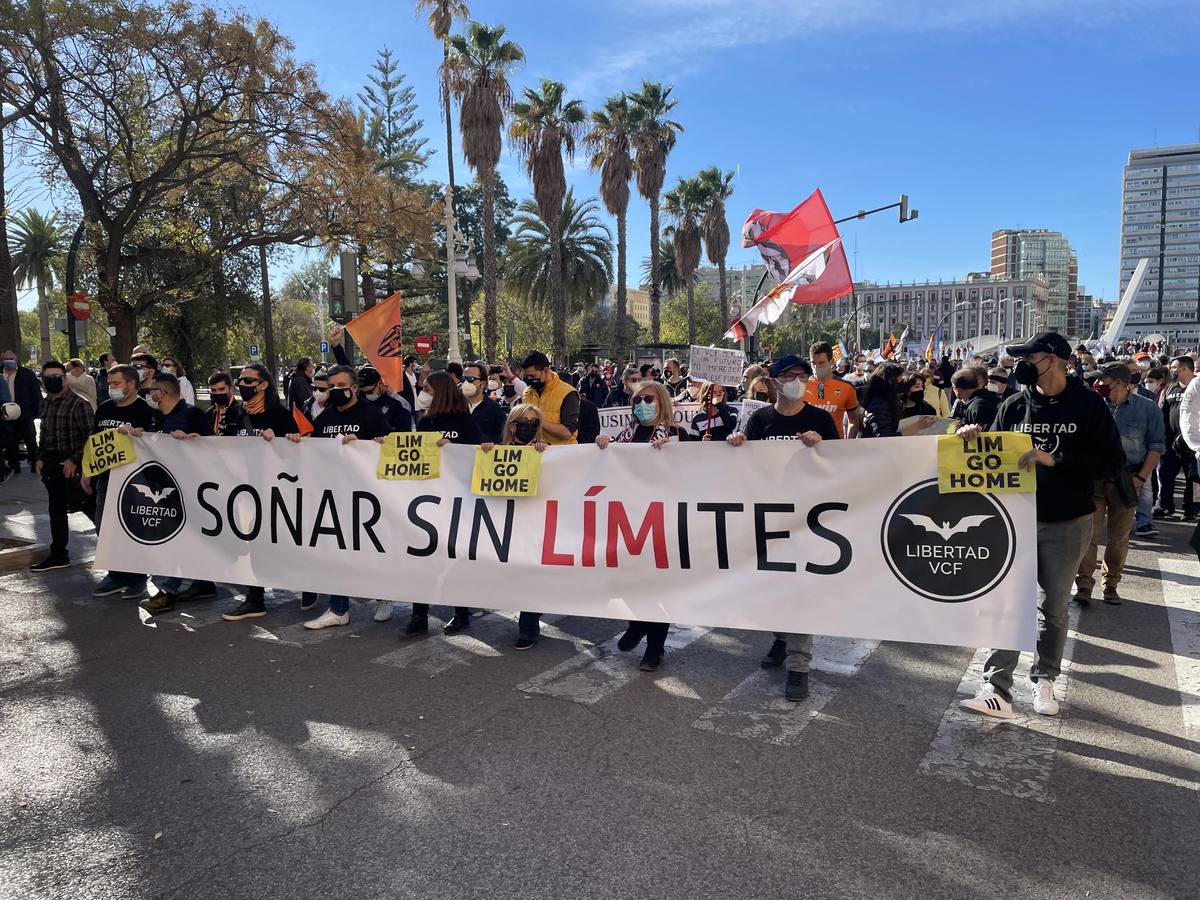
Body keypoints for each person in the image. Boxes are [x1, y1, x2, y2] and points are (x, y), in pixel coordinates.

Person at [958, 332, 1123, 719]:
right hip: (1015, 521)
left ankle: (1044, 677)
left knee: (1054, 606)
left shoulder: (1088, 406)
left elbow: (1111, 462)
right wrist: (970, 437)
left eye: (1030, 357)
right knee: (1008, 601)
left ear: (1057, 359)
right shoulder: (1014, 404)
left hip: (1067, 519)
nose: (1023, 365)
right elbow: (989, 452)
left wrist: (1058, 458)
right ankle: (997, 688)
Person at [726, 355, 837, 700]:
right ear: (773, 382)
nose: (797, 381)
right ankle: (782, 637)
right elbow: (746, 467)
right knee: (765, 590)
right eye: (789, 376)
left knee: (799, 591)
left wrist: (823, 448)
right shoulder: (760, 419)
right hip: (768, 519)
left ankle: (798, 666)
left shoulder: (820, 419)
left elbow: (845, 466)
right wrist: (736, 446)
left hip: (808, 521)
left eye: (802, 375)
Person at [289, 364, 392, 629]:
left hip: (368, 495)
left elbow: (389, 448)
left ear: (354, 388)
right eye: (329, 386)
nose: (334, 391)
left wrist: (368, 445)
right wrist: (295, 442)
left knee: (371, 550)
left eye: (340, 386)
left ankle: (384, 596)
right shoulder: (324, 418)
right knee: (336, 551)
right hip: (334, 493)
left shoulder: (371, 414)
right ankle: (338, 608)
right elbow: (314, 452)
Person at [595, 380, 687, 672]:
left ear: (661, 402)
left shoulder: (678, 435)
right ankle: (639, 623)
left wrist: (675, 453)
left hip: (661, 522)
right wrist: (602, 447)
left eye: (648, 399)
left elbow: (697, 472)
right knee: (625, 582)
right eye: (637, 400)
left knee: (654, 584)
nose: (642, 405)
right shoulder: (624, 435)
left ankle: (654, 648)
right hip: (627, 521)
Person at [1074, 363, 1164, 607]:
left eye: (1103, 380)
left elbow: (1156, 446)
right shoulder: (1092, 406)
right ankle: (1084, 585)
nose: (1098, 385)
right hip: (1093, 480)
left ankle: (1110, 584)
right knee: (1087, 535)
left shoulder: (1147, 409)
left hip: (1126, 480)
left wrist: (1141, 479)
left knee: (1118, 537)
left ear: (1119, 383)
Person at [220, 364, 303, 621]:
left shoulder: (279, 415)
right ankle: (255, 598)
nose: (242, 384)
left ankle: (309, 584)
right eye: (240, 380)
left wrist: (281, 440)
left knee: (282, 542)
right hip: (242, 489)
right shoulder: (234, 414)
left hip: (273, 492)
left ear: (264, 384)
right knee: (249, 542)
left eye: (248, 380)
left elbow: (297, 453)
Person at [403, 371, 482, 637]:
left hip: (458, 500)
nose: (422, 392)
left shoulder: (464, 420)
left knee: (455, 559)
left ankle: (461, 614)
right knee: (420, 559)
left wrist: (453, 448)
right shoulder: (425, 422)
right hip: (427, 499)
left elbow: (475, 453)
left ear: (440, 392)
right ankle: (419, 614)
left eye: (426, 388)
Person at [139, 371, 214, 614]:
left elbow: (212, 446)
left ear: (162, 392)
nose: (149, 395)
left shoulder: (192, 414)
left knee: (179, 539)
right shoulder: (154, 416)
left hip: (190, 488)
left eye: (151, 390)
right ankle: (203, 584)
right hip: (164, 488)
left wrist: (192, 440)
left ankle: (167, 591)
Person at [82, 364, 159, 599]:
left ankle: (136, 579)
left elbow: (156, 444)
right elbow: (95, 441)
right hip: (106, 478)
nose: (111, 388)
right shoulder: (105, 409)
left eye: (116, 384)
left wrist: (139, 435)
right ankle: (116, 574)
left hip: (134, 481)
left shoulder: (144, 411)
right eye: (109, 384)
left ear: (131, 384)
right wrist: (88, 472)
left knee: (132, 528)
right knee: (103, 526)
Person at [480, 403, 549, 649]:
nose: (529, 428)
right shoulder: (499, 451)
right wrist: (487, 453)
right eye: (524, 422)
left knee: (531, 573)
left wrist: (545, 455)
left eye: (534, 423)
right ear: (512, 425)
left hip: (535, 524)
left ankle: (528, 625)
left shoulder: (546, 451)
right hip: (505, 524)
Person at [29, 361, 96, 572]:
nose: (52, 380)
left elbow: (91, 437)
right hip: (51, 466)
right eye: (47, 377)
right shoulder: (45, 403)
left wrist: (75, 460)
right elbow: (45, 434)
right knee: (56, 511)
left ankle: (119, 553)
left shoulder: (80, 404)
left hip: (74, 468)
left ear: (65, 378)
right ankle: (59, 554)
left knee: (91, 508)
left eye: (56, 376)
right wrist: (39, 457)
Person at [1156, 355, 1196, 520]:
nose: (1171, 371)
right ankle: (1165, 506)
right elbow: (1161, 413)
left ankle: (1191, 510)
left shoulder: (1197, 387)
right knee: (1166, 475)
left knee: (1193, 479)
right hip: (1171, 443)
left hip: (1193, 444)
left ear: (1185, 369)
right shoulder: (1170, 388)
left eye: (1174, 368)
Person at [520, 351, 579, 445]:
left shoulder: (567, 393)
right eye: (527, 376)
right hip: (535, 452)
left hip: (562, 453)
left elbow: (567, 432)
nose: (530, 379)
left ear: (546, 371)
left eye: (533, 376)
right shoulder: (527, 393)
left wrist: (537, 421)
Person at [805, 341, 862, 438]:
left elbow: (853, 420)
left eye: (821, 363)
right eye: (813, 363)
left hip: (834, 445)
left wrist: (848, 443)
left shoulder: (847, 388)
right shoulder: (802, 386)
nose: (816, 367)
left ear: (831, 362)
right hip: (807, 446)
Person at [2, 348, 42, 472]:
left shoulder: (26, 374)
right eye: (6, 359)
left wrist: (38, 410)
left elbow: (35, 392)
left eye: (11, 359)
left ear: (16, 359)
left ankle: (35, 462)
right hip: (4, 413)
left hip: (24, 413)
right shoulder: (0, 374)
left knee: (30, 439)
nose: (9, 361)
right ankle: (14, 465)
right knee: (10, 440)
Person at [358, 366, 413, 434]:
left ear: (380, 383)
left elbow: (404, 433)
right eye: (363, 392)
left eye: (370, 391)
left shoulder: (399, 403)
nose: (367, 395)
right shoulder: (358, 398)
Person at [462, 362, 505, 443]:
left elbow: (502, 437)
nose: (465, 383)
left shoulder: (495, 409)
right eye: (463, 379)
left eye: (470, 379)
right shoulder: (455, 407)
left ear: (482, 384)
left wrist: (487, 441)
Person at [206, 372, 241, 436]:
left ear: (231, 389)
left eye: (221, 389)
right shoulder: (209, 413)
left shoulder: (241, 412)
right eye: (214, 390)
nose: (218, 393)